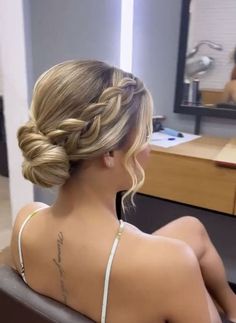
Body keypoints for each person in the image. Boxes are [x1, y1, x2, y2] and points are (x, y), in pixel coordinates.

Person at [10, 60, 236, 323]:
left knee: (191, 227)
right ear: (109, 152)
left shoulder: (26, 220)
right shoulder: (174, 265)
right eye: (144, 135)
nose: (147, 148)